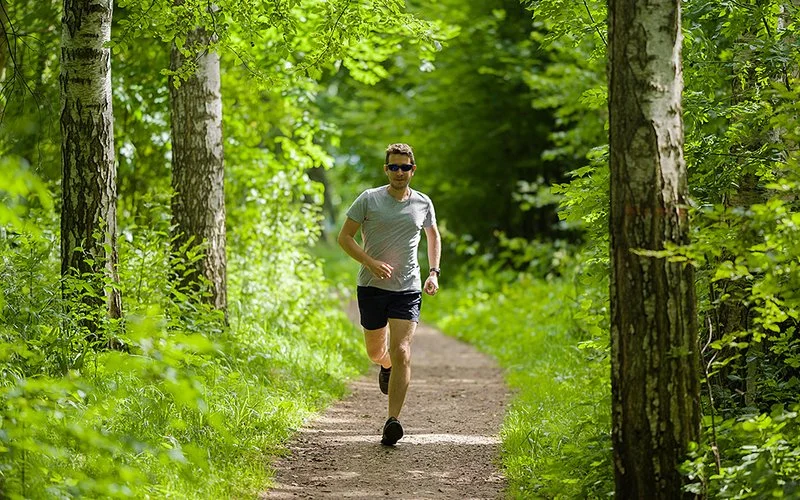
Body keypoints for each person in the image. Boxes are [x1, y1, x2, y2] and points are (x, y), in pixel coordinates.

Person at [337, 143, 441, 446]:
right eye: (393, 167)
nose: (399, 172)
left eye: (404, 167)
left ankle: (392, 421)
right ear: (386, 169)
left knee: (403, 350)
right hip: (371, 286)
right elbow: (344, 237)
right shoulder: (369, 200)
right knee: (376, 352)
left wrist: (433, 272)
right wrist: (370, 262)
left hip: (407, 288)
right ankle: (385, 365)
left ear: (413, 170)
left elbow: (433, 236)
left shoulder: (423, 203)